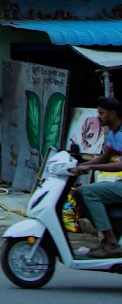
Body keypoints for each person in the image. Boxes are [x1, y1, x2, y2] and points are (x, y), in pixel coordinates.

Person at [72, 96, 122, 258]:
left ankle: (112, 243)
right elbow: (106, 157)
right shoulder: (114, 132)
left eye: (102, 113)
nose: (99, 117)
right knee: (79, 193)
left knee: (88, 192)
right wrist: (80, 166)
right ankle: (108, 241)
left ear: (112, 114)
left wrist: (91, 166)